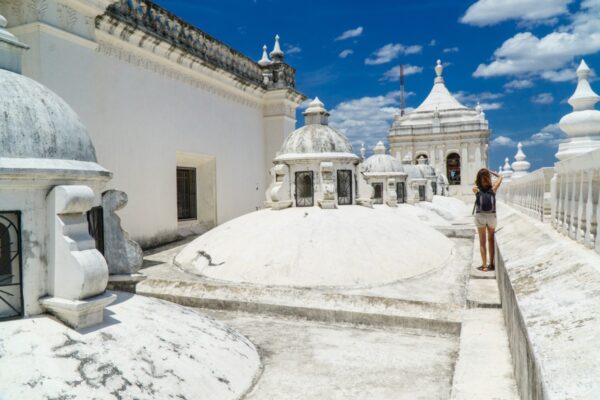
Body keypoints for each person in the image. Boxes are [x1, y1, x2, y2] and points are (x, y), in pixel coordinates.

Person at [472, 168, 503, 272]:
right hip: (491, 216)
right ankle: (491, 264)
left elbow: (475, 184)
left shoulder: (476, 189)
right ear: (488, 177)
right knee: (490, 240)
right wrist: (490, 172)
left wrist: (479, 176)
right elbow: (500, 177)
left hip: (480, 216)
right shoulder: (493, 188)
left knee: (482, 242)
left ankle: (484, 266)